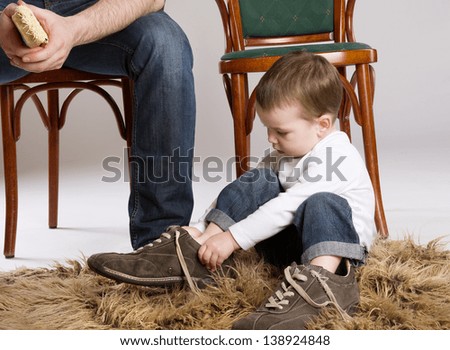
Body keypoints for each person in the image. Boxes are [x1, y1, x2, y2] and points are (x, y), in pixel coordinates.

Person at [87, 51, 376, 330]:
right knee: (259, 179)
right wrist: (203, 229)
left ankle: (322, 283)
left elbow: (286, 206)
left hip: (335, 250)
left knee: (322, 203)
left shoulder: (337, 158)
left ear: (322, 125)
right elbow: (245, 192)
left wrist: (233, 239)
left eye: (281, 132)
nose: (271, 139)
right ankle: (195, 249)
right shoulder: (283, 153)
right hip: (291, 244)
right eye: (267, 129)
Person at [0, 0, 196, 250]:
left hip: (95, 12)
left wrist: (72, 29)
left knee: (166, 44)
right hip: (7, 15)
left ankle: (163, 247)